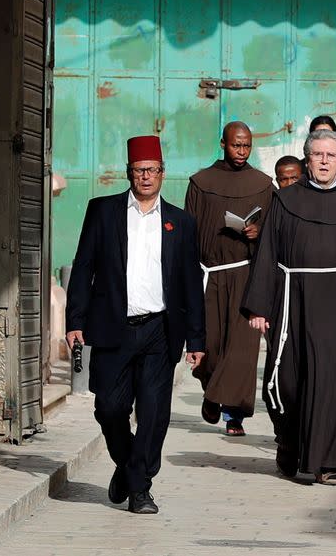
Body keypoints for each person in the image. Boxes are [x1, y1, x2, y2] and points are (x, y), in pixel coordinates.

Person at [65, 135, 205, 514]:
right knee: (109, 407)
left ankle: (140, 488)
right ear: (129, 173)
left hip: (161, 330)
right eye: (139, 170)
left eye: (153, 170)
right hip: (114, 327)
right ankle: (127, 466)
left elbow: (192, 282)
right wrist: (74, 320)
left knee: (154, 411)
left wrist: (196, 337)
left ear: (163, 174)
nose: (146, 177)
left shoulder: (181, 221)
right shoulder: (103, 211)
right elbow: (83, 268)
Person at [241, 129, 336, 485]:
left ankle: (329, 462)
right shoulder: (286, 201)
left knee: (335, 383)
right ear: (307, 159)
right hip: (295, 302)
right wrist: (260, 306)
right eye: (317, 155)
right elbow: (268, 252)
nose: (323, 161)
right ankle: (291, 446)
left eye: (330, 156)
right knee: (291, 383)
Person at [184, 121, 273, 436]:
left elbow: (275, 231)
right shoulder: (200, 182)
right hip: (208, 274)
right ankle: (212, 389)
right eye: (237, 145)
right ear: (222, 143)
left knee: (242, 349)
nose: (242, 151)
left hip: (245, 273)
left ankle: (233, 415)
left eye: (247, 145)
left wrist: (258, 232)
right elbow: (187, 231)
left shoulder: (263, 184)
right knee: (210, 346)